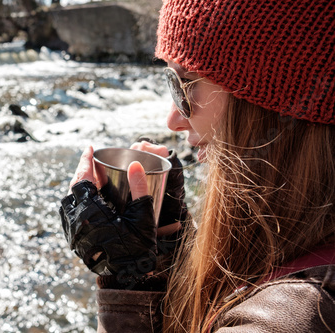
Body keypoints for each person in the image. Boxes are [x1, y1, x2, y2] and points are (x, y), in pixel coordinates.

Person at [59, 0, 335, 332]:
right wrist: (164, 253)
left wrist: (126, 281)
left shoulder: (289, 320)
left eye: (183, 85)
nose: (173, 119)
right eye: (168, 81)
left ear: (271, 95)